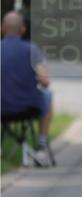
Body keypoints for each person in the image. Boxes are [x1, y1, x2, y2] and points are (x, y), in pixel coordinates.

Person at [1, 11, 54, 164]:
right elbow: (45, 81)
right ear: (23, 29)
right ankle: (42, 145)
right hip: (29, 107)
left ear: (2, 28)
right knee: (47, 94)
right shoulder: (32, 50)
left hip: (1, 108)